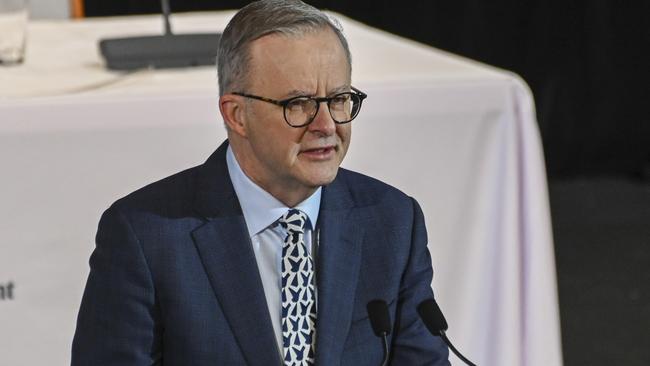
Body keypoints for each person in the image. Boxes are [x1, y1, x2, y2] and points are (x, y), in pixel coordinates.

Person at [71, 1, 449, 365]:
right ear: (237, 114)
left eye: (338, 99)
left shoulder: (393, 222)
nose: (327, 125)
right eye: (298, 104)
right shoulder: (146, 237)